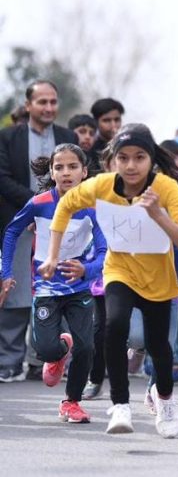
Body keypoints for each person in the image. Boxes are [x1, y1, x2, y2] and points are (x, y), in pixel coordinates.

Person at [42, 124, 178, 437]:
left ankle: (164, 400)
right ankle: (121, 405)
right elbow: (65, 206)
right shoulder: (101, 185)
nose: (130, 165)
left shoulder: (166, 188)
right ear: (112, 160)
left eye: (139, 157)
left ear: (150, 160)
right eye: (123, 158)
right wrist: (52, 256)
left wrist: (158, 216)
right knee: (114, 326)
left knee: (159, 347)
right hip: (120, 271)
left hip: (158, 279)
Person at [0, 144, 106, 423]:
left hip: (79, 287)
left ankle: (72, 402)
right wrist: (6, 272)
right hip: (46, 287)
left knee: (87, 347)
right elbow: (11, 231)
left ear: (84, 172)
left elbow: (107, 250)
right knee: (44, 349)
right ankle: (59, 352)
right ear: (51, 171)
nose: (66, 172)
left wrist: (88, 268)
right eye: (59, 167)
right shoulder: (40, 203)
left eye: (73, 167)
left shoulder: (93, 207)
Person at [0, 79, 77, 382]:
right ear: (28, 105)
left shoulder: (67, 136)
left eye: (53, 102)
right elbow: (3, 178)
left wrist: (56, 210)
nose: (48, 108)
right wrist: (35, 206)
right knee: (16, 293)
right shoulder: (9, 137)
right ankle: (9, 360)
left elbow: (78, 177)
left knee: (54, 290)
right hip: (20, 222)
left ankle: (41, 359)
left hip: (61, 225)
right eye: (42, 102)